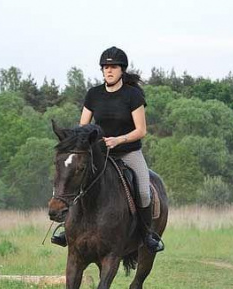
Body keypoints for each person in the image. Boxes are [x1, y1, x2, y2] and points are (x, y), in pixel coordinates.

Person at [52, 46, 164, 252]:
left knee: (143, 192)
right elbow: (82, 127)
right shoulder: (93, 94)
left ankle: (147, 234)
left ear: (122, 70)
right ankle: (66, 229)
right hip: (100, 153)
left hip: (129, 152)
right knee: (78, 181)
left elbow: (141, 130)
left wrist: (118, 140)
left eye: (113, 67)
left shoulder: (133, 95)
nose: (109, 71)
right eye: (105, 67)